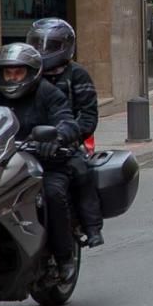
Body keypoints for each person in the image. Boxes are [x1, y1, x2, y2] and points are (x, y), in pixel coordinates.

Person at [0, 43, 80, 282]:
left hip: (43, 162)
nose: (12, 78)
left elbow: (66, 120)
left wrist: (57, 136)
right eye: (7, 73)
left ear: (31, 73)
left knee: (53, 194)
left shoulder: (47, 93)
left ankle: (64, 257)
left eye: (18, 72)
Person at [26, 18, 104, 248]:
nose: (42, 51)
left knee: (81, 171)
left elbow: (88, 117)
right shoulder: (25, 74)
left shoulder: (76, 75)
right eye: (37, 44)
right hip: (25, 145)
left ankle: (91, 227)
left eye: (49, 46)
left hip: (63, 145)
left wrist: (64, 137)